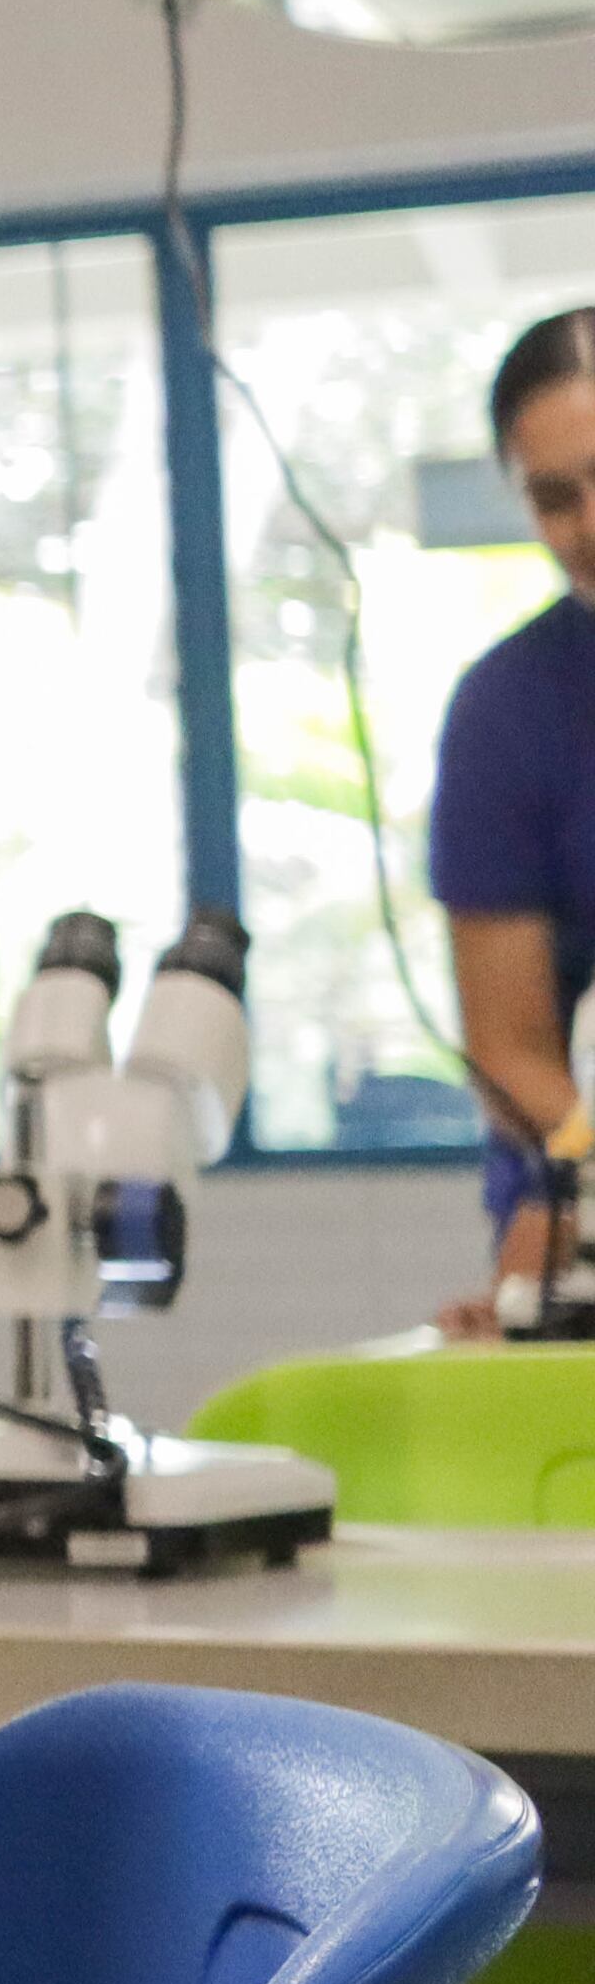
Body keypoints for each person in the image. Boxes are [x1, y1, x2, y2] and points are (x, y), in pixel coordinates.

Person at [439, 308, 595, 1320]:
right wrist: (582, 1173)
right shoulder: (507, 711)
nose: (589, 524)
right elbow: (508, 1045)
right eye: (553, 497)